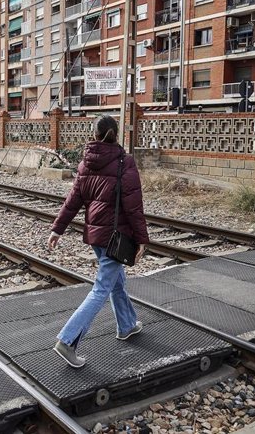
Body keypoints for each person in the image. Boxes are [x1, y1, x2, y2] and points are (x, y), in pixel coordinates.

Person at [47, 115, 149, 368]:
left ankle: (126, 325)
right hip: (117, 236)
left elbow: (73, 201)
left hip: (97, 236)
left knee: (116, 281)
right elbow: (134, 207)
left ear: (94, 134)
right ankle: (68, 340)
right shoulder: (124, 163)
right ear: (116, 133)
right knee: (101, 289)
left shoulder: (86, 163)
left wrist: (57, 229)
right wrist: (142, 240)